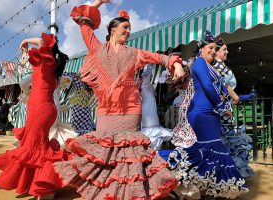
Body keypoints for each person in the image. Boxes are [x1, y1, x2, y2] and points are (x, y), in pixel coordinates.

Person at [53, 0, 185, 199]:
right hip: (106, 110)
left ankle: (129, 193)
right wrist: (98, 2)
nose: (129, 31)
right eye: (125, 27)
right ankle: (108, 192)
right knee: (105, 154)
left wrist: (176, 65)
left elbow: (160, 59)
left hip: (131, 109)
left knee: (129, 155)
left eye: (130, 28)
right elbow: (82, 20)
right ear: (113, 29)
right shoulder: (97, 49)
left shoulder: (135, 53)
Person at [166, 31, 248, 199]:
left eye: (214, 48)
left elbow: (223, 90)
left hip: (211, 114)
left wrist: (233, 102)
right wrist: (221, 106)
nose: (212, 50)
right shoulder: (199, 63)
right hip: (201, 113)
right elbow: (208, 87)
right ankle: (173, 177)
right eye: (209, 47)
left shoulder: (211, 67)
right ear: (201, 48)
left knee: (210, 151)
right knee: (208, 149)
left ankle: (203, 187)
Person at [0, 33, 69, 199]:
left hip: (40, 109)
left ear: (46, 49)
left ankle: (45, 188)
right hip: (41, 108)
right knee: (35, 145)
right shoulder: (52, 65)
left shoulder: (46, 62)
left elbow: (41, 41)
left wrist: (25, 41)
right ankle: (39, 184)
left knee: (35, 147)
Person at [213, 37, 253, 178]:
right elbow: (224, 86)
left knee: (222, 140)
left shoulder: (215, 65)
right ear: (216, 52)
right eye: (224, 49)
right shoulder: (218, 66)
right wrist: (235, 97)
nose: (227, 52)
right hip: (224, 108)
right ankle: (227, 175)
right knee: (227, 140)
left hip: (222, 107)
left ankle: (221, 174)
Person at [140, 64, 173, 150]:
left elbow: (154, 93)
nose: (150, 76)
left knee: (154, 133)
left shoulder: (149, 86)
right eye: (149, 75)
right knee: (149, 132)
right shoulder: (141, 87)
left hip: (151, 109)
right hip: (146, 112)